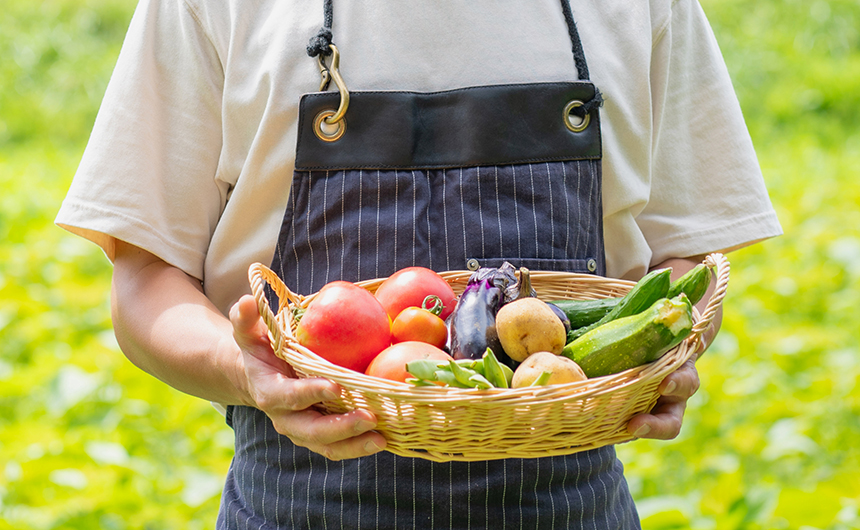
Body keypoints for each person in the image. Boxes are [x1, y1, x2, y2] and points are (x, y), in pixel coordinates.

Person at [56, 0, 782, 527]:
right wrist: (247, 370)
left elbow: (686, 256)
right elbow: (146, 280)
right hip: (298, 509)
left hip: (571, 510)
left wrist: (658, 350)